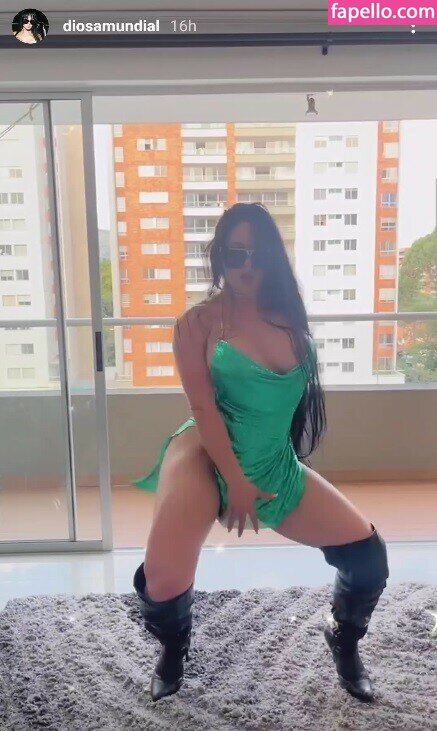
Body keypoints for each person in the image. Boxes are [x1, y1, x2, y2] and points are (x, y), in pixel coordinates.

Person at [132, 203, 389, 703]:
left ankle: (343, 639)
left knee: (369, 559)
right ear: (220, 257)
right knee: (163, 579)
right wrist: (236, 482)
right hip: (206, 457)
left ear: (272, 257)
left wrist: (262, 475)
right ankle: (173, 648)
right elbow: (203, 407)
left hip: (271, 462)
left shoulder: (288, 314)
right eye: (236, 253)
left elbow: (285, 409)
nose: (247, 265)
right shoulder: (196, 324)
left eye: (257, 253)